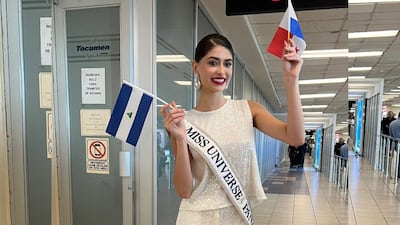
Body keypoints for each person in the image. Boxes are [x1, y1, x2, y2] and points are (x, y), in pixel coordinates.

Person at [160, 33, 304, 225]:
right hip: (196, 217)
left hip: (237, 215)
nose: (221, 71)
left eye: (227, 64)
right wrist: (179, 138)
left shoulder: (248, 109)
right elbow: (184, 190)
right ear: (196, 67)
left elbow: (295, 138)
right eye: (213, 62)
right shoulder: (184, 122)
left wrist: (291, 80)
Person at [389, 114, 400, 179]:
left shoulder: (392, 123)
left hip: (393, 144)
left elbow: (390, 134)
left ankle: (393, 175)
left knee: (394, 160)